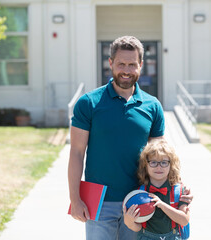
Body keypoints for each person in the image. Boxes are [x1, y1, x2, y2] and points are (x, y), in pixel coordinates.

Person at [68, 36, 192, 240]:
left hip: (140, 199)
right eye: (121, 64)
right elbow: (76, 153)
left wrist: (179, 191)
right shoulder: (88, 103)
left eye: (132, 64)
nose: (126, 70)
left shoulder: (152, 106)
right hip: (98, 202)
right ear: (110, 64)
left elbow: (160, 156)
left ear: (141, 65)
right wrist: (75, 198)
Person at [123, 139, 190, 240]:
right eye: (153, 162)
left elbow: (184, 221)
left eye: (164, 162)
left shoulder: (179, 191)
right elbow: (138, 227)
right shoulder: (139, 192)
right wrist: (129, 222)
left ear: (171, 165)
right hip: (146, 236)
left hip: (173, 236)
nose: (159, 167)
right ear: (145, 165)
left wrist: (162, 205)